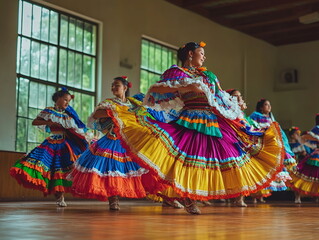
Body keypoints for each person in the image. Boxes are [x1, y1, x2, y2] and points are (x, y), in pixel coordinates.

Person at [111, 42, 284, 214]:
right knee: (187, 159)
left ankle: (203, 193)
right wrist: (184, 86)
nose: (204, 56)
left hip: (212, 120)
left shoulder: (208, 75)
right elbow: (157, 89)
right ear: (190, 54)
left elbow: (220, 94)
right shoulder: (176, 73)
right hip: (189, 118)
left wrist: (235, 104)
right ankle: (188, 198)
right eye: (201, 53)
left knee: (228, 153)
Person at [69, 77, 161, 210]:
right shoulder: (109, 103)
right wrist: (116, 112)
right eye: (112, 85)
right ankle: (113, 200)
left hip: (129, 140)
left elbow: (145, 113)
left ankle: (160, 196)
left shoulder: (134, 103)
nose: (113, 88)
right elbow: (97, 114)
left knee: (129, 169)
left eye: (116, 85)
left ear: (125, 87)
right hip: (112, 138)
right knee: (111, 168)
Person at [10, 87, 88, 207]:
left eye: (69, 101)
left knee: (64, 169)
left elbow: (77, 129)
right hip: (52, 142)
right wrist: (48, 122)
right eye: (65, 100)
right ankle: (58, 196)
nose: (67, 103)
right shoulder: (49, 111)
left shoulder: (69, 115)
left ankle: (61, 196)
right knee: (52, 168)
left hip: (66, 144)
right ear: (58, 98)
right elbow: (35, 122)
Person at [248, 99, 295, 203]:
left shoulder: (271, 118)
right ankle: (254, 194)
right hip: (261, 145)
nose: (269, 107)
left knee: (268, 169)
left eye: (269, 105)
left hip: (271, 145)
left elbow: (279, 133)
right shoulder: (255, 115)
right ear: (260, 107)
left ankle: (259, 195)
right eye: (266, 105)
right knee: (259, 168)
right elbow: (250, 126)